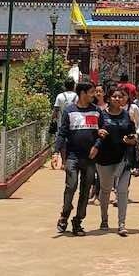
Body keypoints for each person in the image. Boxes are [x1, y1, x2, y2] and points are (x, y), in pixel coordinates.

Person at [55, 78, 101, 236]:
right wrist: (56, 152)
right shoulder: (69, 110)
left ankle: (78, 221)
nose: (94, 95)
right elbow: (62, 133)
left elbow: (103, 131)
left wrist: (97, 145)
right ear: (82, 93)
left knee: (85, 190)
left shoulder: (96, 111)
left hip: (90, 158)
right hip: (72, 157)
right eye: (91, 92)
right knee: (71, 186)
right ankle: (65, 214)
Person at [90, 86, 139, 236]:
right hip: (104, 159)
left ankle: (121, 224)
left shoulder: (127, 116)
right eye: (114, 96)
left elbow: (133, 135)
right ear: (108, 98)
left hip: (123, 159)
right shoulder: (101, 116)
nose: (117, 99)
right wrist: (97, 132)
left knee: (122, 191)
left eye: (120, 96)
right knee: (105, 190)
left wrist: (132, 140)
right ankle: (104, 219)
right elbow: (94, 133)